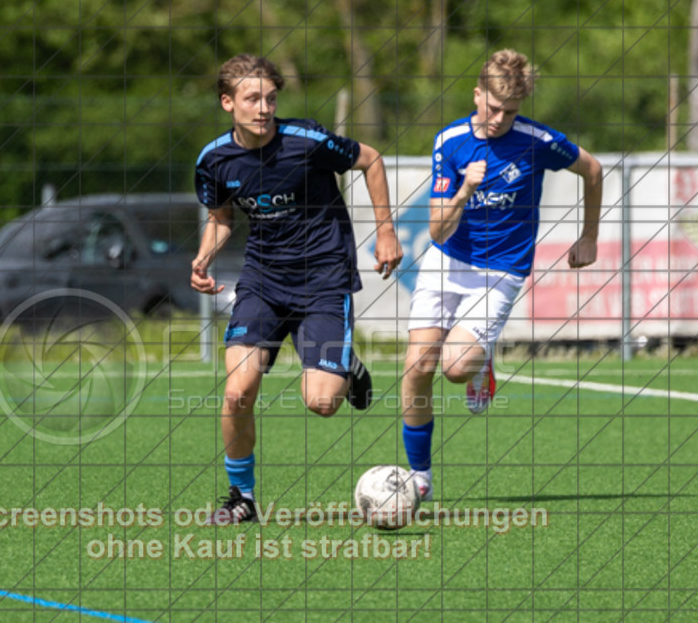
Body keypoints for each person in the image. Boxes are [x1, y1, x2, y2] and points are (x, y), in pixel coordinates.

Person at [192, 53, 403, 524]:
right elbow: (221, 220)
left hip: (325, 281)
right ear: (228, 103)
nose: (264, 108)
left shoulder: (306, 140)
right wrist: (204, 256)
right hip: (263, 282)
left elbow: (370, 160)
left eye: (270, 98)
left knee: (322, 403)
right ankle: (241, 498)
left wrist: (386, 230)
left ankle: (344, 363)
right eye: (252, 99)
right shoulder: (214, 161)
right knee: (237, 390)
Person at [400, 49, 603, 502]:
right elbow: (436, 228)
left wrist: (589, 237)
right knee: (417, 368)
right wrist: (467, 187)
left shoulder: (538, 140)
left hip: (502, 270)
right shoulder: (449, 141)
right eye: (492, 108)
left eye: (510, 112)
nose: (499, 120)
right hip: (447, 259)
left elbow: (593, 169)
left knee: (454, 369)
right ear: (477, 95)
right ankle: (420, 478)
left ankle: (479, 362)